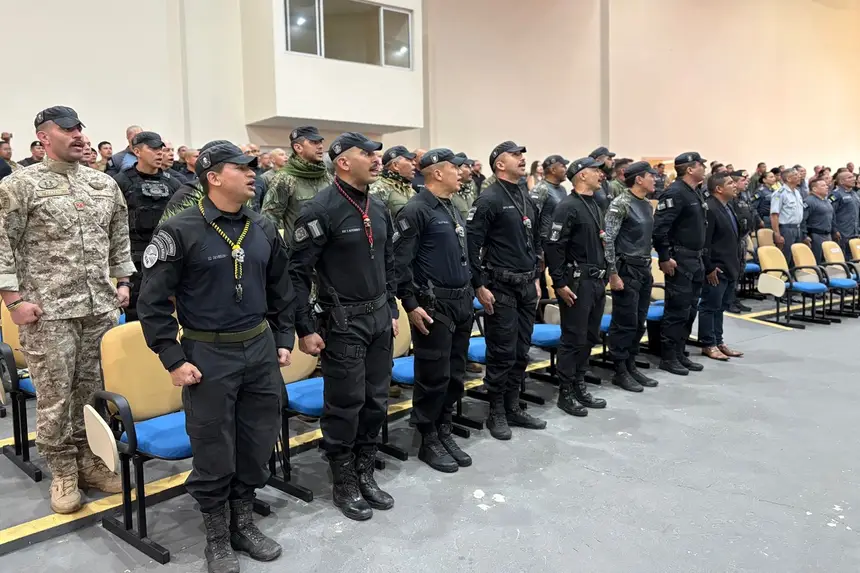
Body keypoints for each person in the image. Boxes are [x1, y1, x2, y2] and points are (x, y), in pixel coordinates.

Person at [138, 142, 293, 573]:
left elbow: (282, 288)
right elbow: (151, 303)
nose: (252, 173)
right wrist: (172, 358)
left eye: (253, 167)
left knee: (257, 439)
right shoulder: (180, 230)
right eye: (241, 168)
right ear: (213, 177)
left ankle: (243, 523)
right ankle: (217, 537)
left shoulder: (262, 227)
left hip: (259, 346)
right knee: (213, 446)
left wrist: (283, 336)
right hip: (208, 351)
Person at [0, 106, 135, 514]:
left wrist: (123, 281)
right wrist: (13, 301)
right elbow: (2, 243)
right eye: (68, 129)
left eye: (80, 128)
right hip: (48, 312)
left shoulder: (103, 184)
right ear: (44, 137)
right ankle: (62, 470)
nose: (79, 135)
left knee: (91, 393)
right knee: (55, 397)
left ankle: (90, 460)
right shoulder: (19, 185)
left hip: (99, 309)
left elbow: (119, 236)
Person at [288, 132, 398, 522]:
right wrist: (304, 327)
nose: (377, 159)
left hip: (379, 317)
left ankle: (366, 470)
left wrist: (392, 307)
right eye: (366, 153)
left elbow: (388, 262)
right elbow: (297, 273)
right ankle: (344, 481)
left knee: (376, 400)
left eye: (377, 153)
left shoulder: (378, 207)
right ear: (343, 162)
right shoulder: (320, 209)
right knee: (345, 404)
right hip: (343, 321)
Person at [393, 148, 473, 473]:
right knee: (433, 375)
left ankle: (444, 428)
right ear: (438, 173)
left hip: (461, 301)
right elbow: (400, 263)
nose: (461, 172)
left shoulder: (451, 206)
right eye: (455, 167)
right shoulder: (416, 210)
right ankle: (428, 438)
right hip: (433, 306)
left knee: (455, 374)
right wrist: (410, 304)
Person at [466, 141, 546, 439]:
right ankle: (496, 412)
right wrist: (479, 285)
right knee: (502, 352)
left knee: (522, 350)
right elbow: (471, 245)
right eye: (515, 155)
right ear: (499, 164)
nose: (522, 158)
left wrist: (536, 278)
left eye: (522, 155)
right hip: (500, 286)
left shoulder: (525, 196)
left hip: (527, 284)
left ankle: (513, 406)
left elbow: (534, 241)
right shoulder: (489, 198)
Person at [545, 157, 611, 415]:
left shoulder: (595, 203)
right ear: (582, 175)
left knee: (590, 336)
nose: (600, 175)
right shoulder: (567, 206)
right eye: (595, 171)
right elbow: (554, 246)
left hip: (596, 280)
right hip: (576, 282)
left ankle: (579, 383)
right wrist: (559, 283)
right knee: (573, 337)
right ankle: (566, 391)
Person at [113, 131, 182, 321]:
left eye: (161, 149)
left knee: (167, 313)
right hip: (134, 259)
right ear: (137, 151)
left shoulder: (173, 183)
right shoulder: (120, 182)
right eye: (152, 148)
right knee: (136, 314)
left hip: (167, 257)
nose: (159, 153)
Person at [603, 161, 659, 392]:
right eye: (651, 176)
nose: (655, 179)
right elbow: (608, 240)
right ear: (638, 179)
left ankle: (630, 363)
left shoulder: (645, 204)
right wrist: (613, 273)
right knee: (624, 322)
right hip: (626, 269)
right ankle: (620, 370)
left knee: (639, 321)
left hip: (643, 267)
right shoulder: (621, 203)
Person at [653, 152, 708, 376]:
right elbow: (660, 228)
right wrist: (664, 257)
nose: (704, 168)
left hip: (695, 258)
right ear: (690, 169)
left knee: (690, 308)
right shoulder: (675, 192)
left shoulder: (694, 191)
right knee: (677, 309)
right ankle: (668, 356)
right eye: (701, 165)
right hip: (680, 258)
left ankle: (679, 351)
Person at [698, 173, 744, 361]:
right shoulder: (709, 208)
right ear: (718, 189)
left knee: (720, 307)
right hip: (716, 268)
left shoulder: (727, 206)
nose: (735, 185)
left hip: (729, 265)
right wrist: (709, 267)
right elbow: (705, 242)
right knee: (710, 306)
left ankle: (718, 340)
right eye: (730, 183)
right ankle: (708, 343)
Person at [261, 126, 332, 239]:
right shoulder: (285, 178)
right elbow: (269, 218)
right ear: (298, 147)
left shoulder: (325, 175)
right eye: (314, 142)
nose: (320, 146)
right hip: (300, 246)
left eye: (320, 142)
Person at [728, 170, 759, 313]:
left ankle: (735, 298)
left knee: (740, 269)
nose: (746, 182)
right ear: (734, 183)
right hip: (733, 239)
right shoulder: (730, 199)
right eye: (742, 180)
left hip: (743, 237)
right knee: (732, 270)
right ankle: (729, 300)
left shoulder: (744, 196)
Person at [370, 145, 417, 219]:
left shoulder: (410, 190)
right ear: (395, 165)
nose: (414, 163)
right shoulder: (378, 188)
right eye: (409, 160)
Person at [770, 167, 805, 266]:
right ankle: (784, 275)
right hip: (786, 229)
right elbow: (774, 215)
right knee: (786, 257)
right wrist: (777, 234)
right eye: (796, 175)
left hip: (797, 228)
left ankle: (794, 276)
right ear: (788, 179)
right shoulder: (779, 193)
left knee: (796, 259)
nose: (799, 176)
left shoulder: (797, 192)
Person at [532, 155, 570, 243]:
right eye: (563, 166)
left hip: (560, 238)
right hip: (546, 240)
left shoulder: (562, 189)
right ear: (553, 170)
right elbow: (533, 218)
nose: (566, 169)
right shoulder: (541, 188)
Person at [802, 176, 835, 263]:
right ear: (814, 189)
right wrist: (804, 236)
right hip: (816, 235)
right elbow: (803, 220)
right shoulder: (809, 201)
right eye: (823, 186)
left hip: (827, 235)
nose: (827, 187)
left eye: (826, 185)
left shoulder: (826, 201)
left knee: (829, 260)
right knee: (817, 260)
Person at [829, 170, 859, 257]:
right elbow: (830, 213)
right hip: (842, 233)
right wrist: (835, 230)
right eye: (849, 177)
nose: (853, 179)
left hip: (854, 232)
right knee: (844, 257)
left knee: (855, 257)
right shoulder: (836, 195)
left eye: (853, 177)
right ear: (841, 181)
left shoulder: (855, 194)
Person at [589, 146, 616, 213]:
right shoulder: (590, 183)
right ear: (598, 161)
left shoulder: (607, 182)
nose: (613, 161)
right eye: (609, 159)